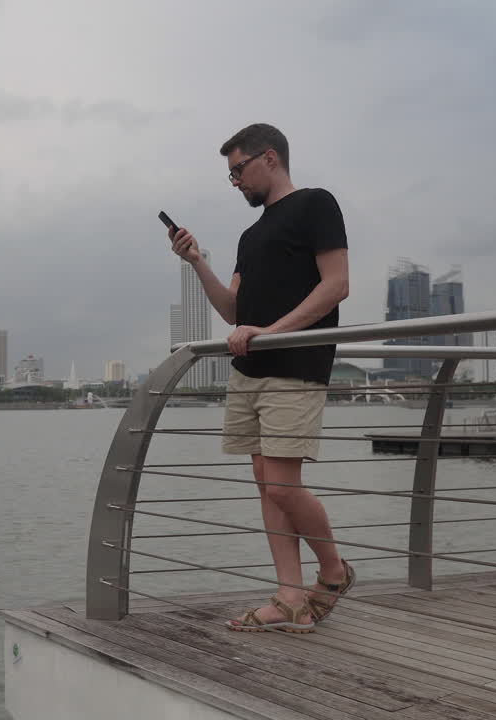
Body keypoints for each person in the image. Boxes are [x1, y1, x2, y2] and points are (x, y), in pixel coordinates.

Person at [169, 123, 354, 634]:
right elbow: (233, 310)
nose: (235, 183)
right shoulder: (250, 236)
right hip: (250, 367)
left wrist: (271, 332)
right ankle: (290, 597)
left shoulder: (317, 204)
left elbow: (336, 285)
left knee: (280, 483)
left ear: (269, 158)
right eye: (230, 176)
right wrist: (196, 262)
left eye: (238, 170)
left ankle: (334, 572)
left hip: (295, 363)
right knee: (265, 483)